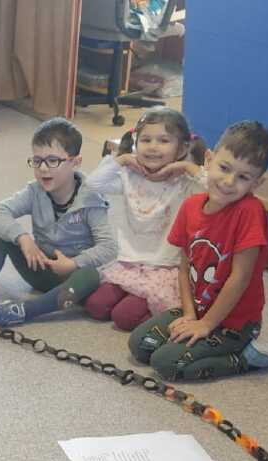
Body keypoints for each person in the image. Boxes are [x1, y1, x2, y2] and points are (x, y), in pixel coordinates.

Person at [129, 119, 268, 380]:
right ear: (208, 160)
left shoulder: (250, 212)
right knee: (141, 346)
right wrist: (189, 314)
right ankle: (199, 330)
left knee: (166, 364)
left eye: (243, 177)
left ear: (257, 183)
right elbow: (185, 268)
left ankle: (245, 357)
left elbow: (240, 278)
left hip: (235, 324)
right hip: (199, 310)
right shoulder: (191, 207)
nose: (229, 182)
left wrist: (206, 324)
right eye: (224, 168)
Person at [0, 116, 117, 328]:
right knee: (2, 235)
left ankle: (27, 310)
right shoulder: (35, 191)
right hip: (41, 268)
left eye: (53, 160)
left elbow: (109, 248)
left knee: (91, 276)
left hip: (73, 276)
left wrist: (73, 264)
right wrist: (23, 237)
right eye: (37, 160)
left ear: (75, 162)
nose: (43, 168)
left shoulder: (91, 198)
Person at [83, 108, 206, 332]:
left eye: (163, 141)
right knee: (96, 306)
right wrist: (123, 159)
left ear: (181, 148)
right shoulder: (129, 177)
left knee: (123, 317)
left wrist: (186, 166)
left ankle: (164, 311)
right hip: (128, 263)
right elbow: (93, 184)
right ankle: (133, 295)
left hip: (163, 267)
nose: (152, 147)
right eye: (146, 140)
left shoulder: (185, 183)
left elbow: (214, 190)